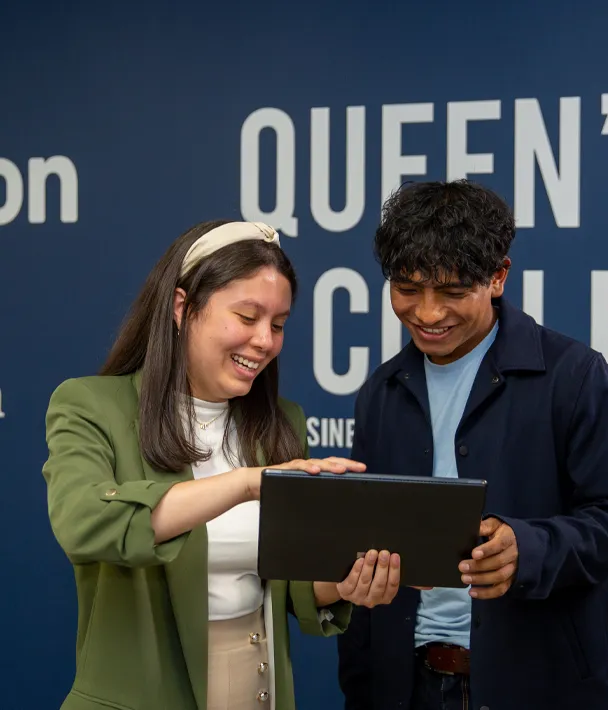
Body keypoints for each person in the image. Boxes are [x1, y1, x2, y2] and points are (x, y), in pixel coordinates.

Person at [42, 220, 401, 710]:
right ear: (181, 307)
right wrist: (246, 485)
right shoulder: (90, 405)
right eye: (247, 317)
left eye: (277, 325)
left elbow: (290, 582)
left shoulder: (280, 423)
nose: (264, 341)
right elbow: (84, 524)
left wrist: (349, 582)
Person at [336, 180, 608, 710]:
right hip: (402, 687)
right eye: (407, 289)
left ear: (498, 276)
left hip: (532, 686)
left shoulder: (573, 376)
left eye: (453, 292)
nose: (428, 313)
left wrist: (527, 548)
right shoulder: (380, 392)